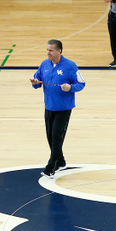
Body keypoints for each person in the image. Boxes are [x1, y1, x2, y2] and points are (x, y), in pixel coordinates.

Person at [30, 40, 85, 178]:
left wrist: (70, 88)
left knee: (56, 138)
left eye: (51, 50)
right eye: (47, 50)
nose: (48, 53)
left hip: (63, 108)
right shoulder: (44, 64)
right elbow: (38, 79)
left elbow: (81, 83)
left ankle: (51, 166)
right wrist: (35, 83)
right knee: (50, 137)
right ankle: (61, 162)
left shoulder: (70, 66)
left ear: (59, 51)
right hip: (49, 106)